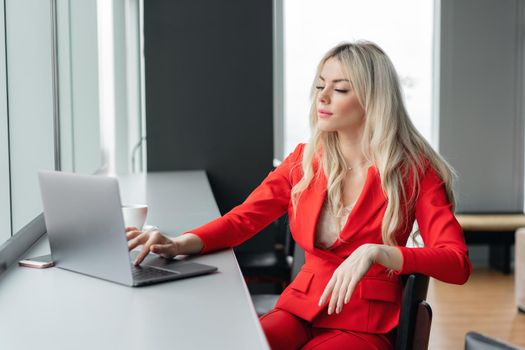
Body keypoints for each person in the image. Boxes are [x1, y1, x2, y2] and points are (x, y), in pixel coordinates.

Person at [126, 41, 472, 350]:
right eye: (320, 86)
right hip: (300, 307)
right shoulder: (305, 160)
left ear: (372, 99)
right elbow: (244, 219)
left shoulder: (414, 171)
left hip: (366, 326)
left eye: (339, 89)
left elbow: (456, 262)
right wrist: (179, 242)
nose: (322, 97)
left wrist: (380, 252)